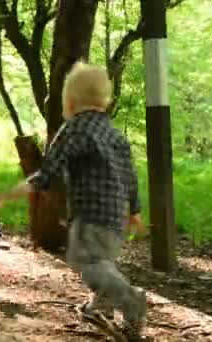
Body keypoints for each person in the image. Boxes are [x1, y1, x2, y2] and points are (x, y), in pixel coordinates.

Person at [17, 61, 147, 340]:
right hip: (115, 219)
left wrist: (20, 189)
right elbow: (130, 175)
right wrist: (134, 210)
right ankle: (102, 306)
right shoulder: (114, 133)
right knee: (103, 262)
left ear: (70, 100)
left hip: (90, 214)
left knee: (84, 260)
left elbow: (49, 171)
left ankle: (129, 299)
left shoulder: (74, 129)